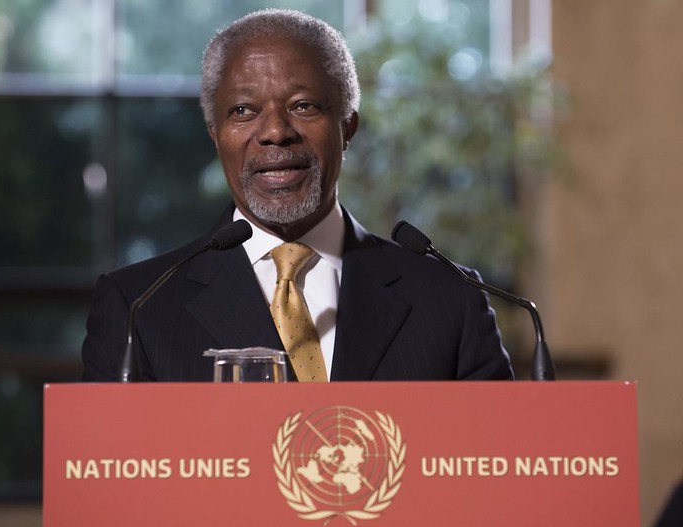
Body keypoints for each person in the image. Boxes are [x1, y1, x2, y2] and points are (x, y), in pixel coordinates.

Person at [82, 8, 513, 382]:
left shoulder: (449, 300)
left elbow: (499, 466)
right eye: (243, 111)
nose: (275, 132)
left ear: (347, 126)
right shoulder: (140, 308)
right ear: (215, 135)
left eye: (303, 105)